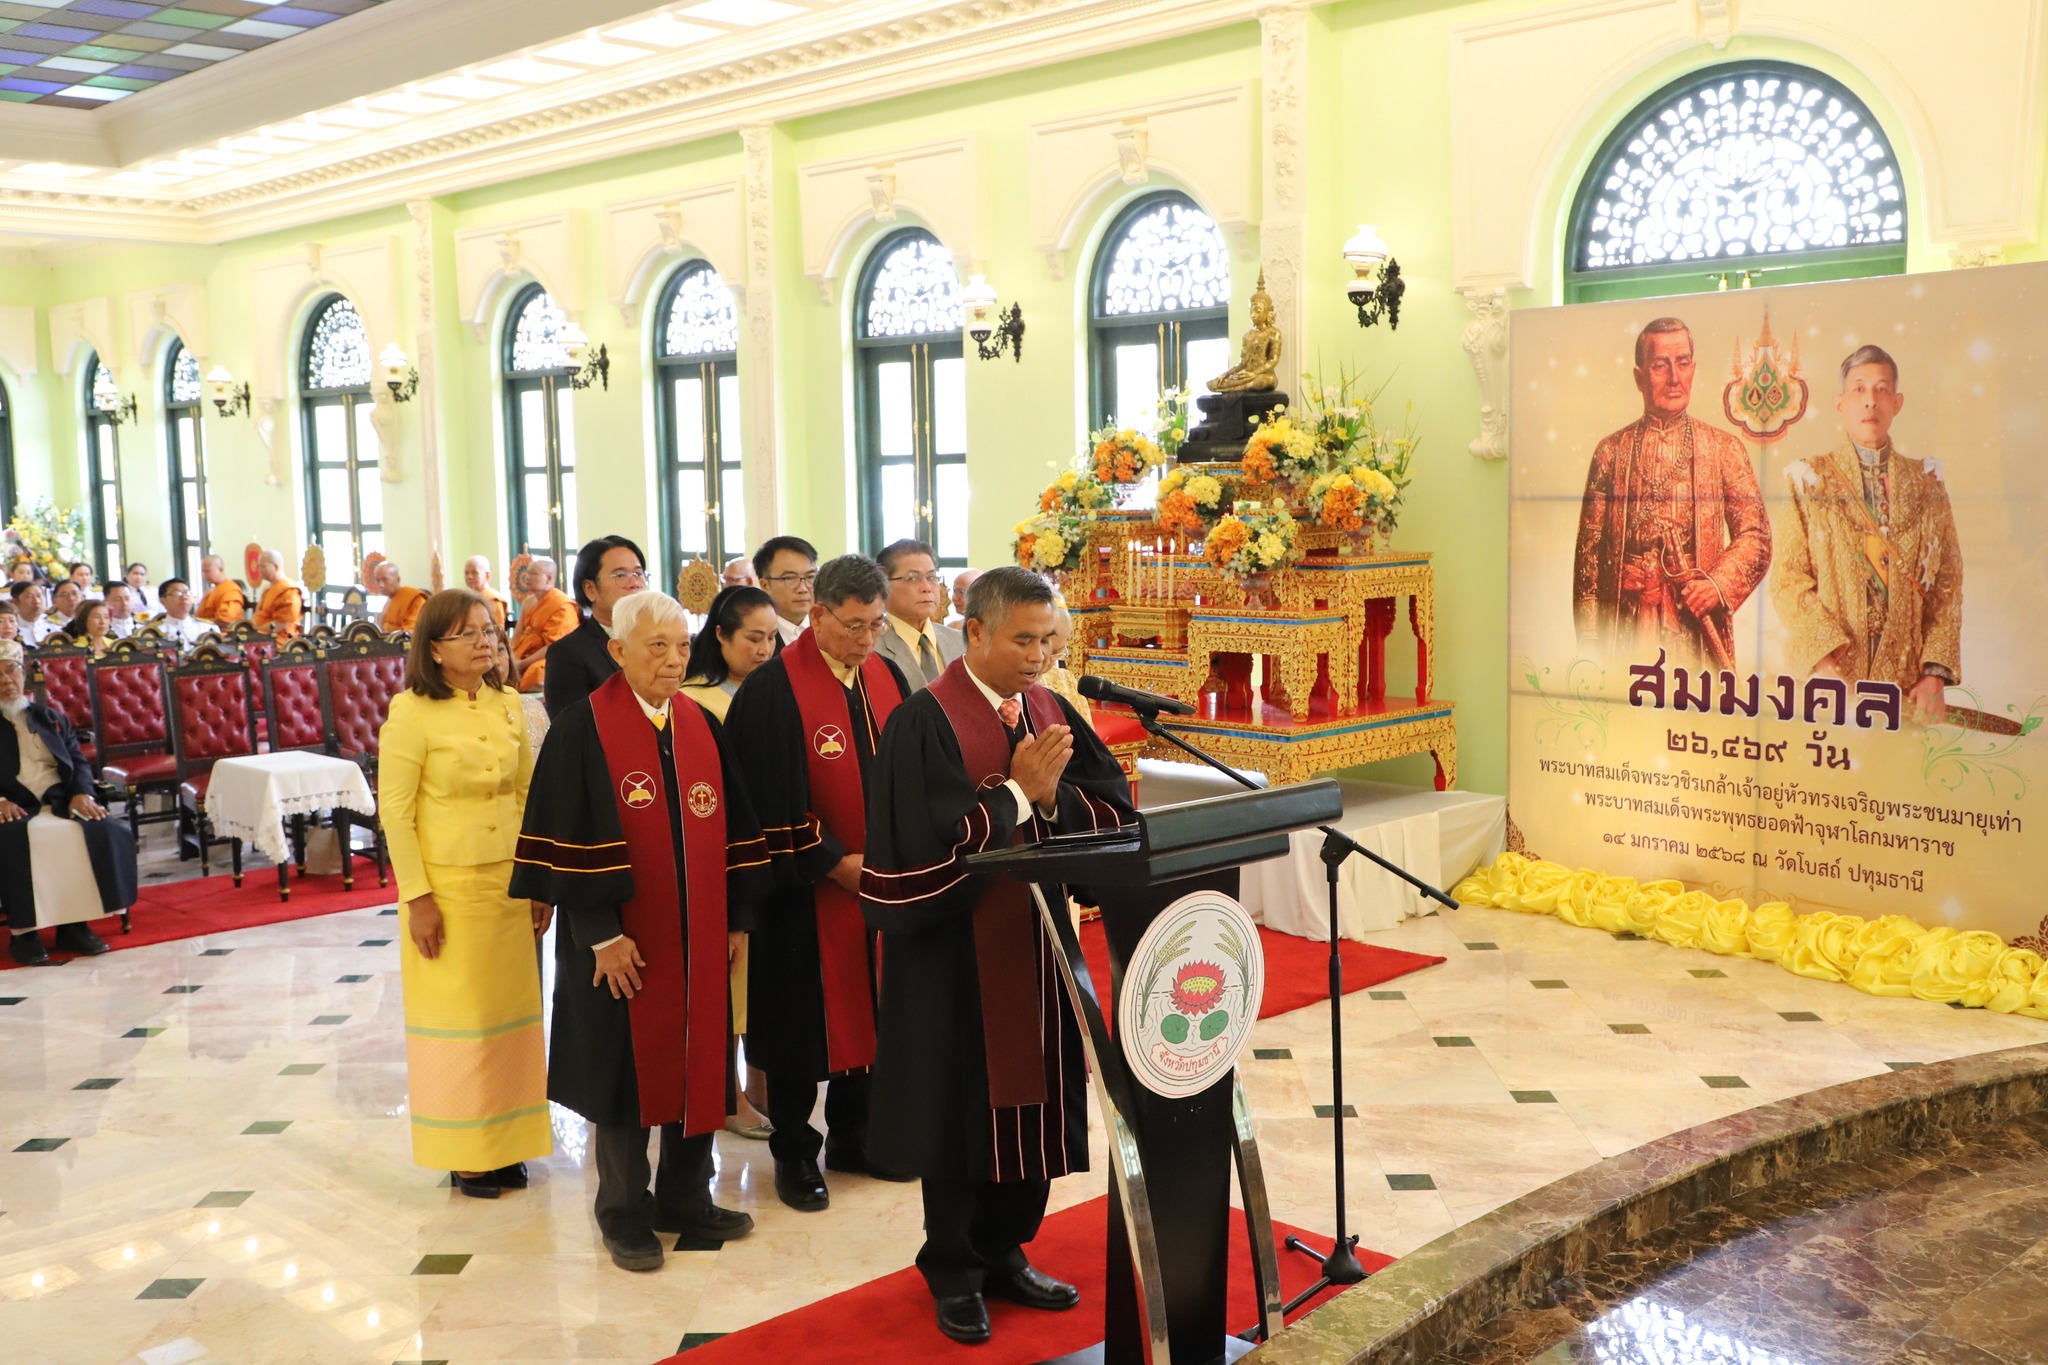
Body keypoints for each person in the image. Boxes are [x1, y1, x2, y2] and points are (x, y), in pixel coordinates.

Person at [861, 567, 1134, 1345]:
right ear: (973, 631)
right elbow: (915, 853)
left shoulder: (1051, 709)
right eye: (1023, 639)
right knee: (960, 1119)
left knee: (1036, 1110)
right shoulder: (925, 722)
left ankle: (1005, 1248)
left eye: (1049, 639)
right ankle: (950, 1266)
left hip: (1039, 948)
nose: (1039, 655)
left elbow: (1109, 808)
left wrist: (1050, 800)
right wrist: (1014, 798)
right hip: (954, 962)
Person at [511, 590, 773, 1271]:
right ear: (617, 650)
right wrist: (600, 934)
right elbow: (562, 838)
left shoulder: (699, 725)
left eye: (682, 645)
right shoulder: (584, 729)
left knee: (699, 1062)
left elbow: (736, 832)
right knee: (623, 1078)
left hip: (701, 936)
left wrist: (736, 919)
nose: (672, 658)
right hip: (620, 941)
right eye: (656, 645)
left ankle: (685, 1196)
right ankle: (623, 1211)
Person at [724, 554, 913, 1212]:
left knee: (875, 1013)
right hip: (802, 894)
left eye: (877, 624)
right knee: (804, 1027)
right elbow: (766, 801)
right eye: (856, 625)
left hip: (880, 886)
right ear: (818, 612)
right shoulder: (774, 691)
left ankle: (857, 1138)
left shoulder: (886, 677)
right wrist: (835, 862)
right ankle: (796, 1152)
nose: (868, 640)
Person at [377, 589, 551, 1200]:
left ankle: (506, 1143)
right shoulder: (412, 712)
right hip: (448, 890)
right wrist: (417, 897)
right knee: (462, 1025)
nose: (486, 641)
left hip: (509, 882)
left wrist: (537, 881)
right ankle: (465, 1152)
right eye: (468, 634)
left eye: (490, 630)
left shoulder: (509, 705)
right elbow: (394, 814)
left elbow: (529, 795)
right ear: (434, 649)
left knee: (512, 1020)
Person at [1771, 345, 1962, 721]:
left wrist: (1933, 675)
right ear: (1839, 404)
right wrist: (1823, 664)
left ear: (1897, 402)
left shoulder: (1926, 486)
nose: (1870, 401)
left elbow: (1946, 584)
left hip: (1905, 691)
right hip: (1830, 687)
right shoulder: (1808, 480)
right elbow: (1788, 580)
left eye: (1881, 390)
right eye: (1858, 389)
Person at [1572, 316, 1771, 671]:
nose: (1674, 378)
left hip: (1696, 627)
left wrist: (1716, 585)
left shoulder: (1724, 448)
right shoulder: (1610, 453)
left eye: (1682, 364)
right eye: (1660, 366)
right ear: (1639, 376)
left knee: (1697, 723)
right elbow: (1588, 559)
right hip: (1625, 626)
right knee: (1625, 722)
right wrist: (1589, 641)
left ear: (1693, 369)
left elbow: (1755, 536)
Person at [679, 584, 782, 1142]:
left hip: (777, 852)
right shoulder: (697, 701)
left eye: (772, 637)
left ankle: (763, 1083)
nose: (764, 649)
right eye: (752, 638)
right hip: (723, 855)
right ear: (719, 636)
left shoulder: (778, 691)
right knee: (730, 980)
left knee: (767, 977)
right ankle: (728, 1092)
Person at [0, 641, 129, 966]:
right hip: (13, 806)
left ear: (23, 673)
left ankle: (75, 926)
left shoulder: (49, 717)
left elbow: (78, 761)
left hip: (59, 800)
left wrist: (81, 793)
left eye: (11, 670)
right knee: (15, 839)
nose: (6, 680)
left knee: (101, 828)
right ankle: (24, 933)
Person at [543, 536, 646, 720]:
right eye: (620, 575)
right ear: (590, 589)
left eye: (638, 574)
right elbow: (571, 729)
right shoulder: (568, 653)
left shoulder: (661, 640)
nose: (634, 583)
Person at [875, 539, 964, 691]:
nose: (927, 588)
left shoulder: (961, 642)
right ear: (884, 584)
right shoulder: (873, 649)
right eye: (912, 578)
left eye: (932, 577)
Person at [510, 556, 577, 692]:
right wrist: (509, 656)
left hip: (549, 657)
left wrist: (522, 664)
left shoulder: (561, 604)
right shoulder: (528, 602)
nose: (527, 577)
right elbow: (517, 634)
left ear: (549, 578)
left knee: (536, 673)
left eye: (533, 573)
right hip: (523, 652)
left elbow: (554, 646)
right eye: (527, 573)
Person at [753, 535, 817, 648]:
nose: (803, 589)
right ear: (765, 585)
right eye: (789, 578)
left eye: (810, 577)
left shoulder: (830, 630)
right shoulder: (754, 636)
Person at [252, 550, 304, 638]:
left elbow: (282, 624)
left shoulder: (289, 590)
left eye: (263, 566)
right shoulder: (267, 589)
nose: (259, 570)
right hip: (260, 633)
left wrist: (254, 631)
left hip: (279, 638)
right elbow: (259, 614)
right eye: (259, 566)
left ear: (276, 567)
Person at [153, 579, 212, 651]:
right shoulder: (156, 631)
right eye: (177, 593)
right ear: (163, 601)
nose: (184, 597)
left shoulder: (208, 628)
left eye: (187, 592)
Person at [465, 555, 513, 633]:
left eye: (475, 573)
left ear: (487, 575)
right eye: (466, 573)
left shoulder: (492, 599)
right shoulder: (468, 597)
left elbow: (497, 630)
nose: (469, 576)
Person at [197, 554, 247, 625]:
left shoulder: (231, 590)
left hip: (224, 633)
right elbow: (200, 615)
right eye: (203, 571)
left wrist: (201, 623)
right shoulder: (210, 591)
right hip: (206, 630)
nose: (205, 575)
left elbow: (225, 620)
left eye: (208, 571)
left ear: (221, 569)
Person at [379, 562, 428, 634]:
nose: (381, 585)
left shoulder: (415, 598)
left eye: (385, 580)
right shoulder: (389, 601)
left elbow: (412, 631)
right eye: (377, 580)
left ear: (398, 579)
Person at [9, 582, 55, 647]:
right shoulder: (8, 629)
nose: (36, 601)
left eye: (39, 595)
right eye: (29, 596)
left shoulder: (55, 627)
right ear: (15, 602)